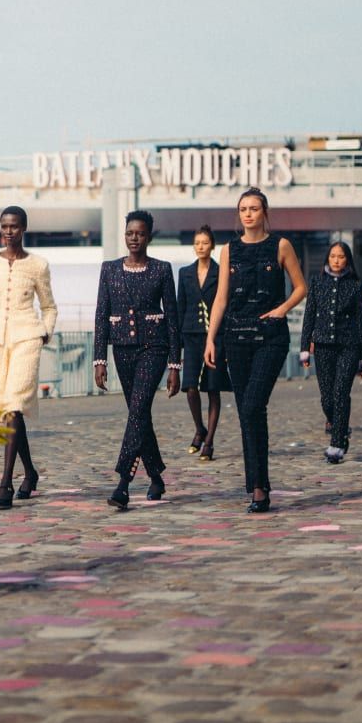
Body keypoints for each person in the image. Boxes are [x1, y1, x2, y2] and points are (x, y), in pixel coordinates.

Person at [205, 188, 307, 512]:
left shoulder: (281, 245)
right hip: (236, 338)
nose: (248, 214)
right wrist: (211, 338)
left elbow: (302, 286)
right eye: (243, 209)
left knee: (251, 406)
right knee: (250, 412)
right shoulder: (228, 250)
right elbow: (220, 298)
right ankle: (258, 487)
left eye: (254, 208)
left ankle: (259, 488)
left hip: (270, 339)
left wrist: (282, 309)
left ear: (264, 212)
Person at [94, 210, 181, 510]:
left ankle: (123, 484)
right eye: (130, 233)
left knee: (139, 410)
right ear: (125, 234)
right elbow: (101, 316)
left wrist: (174, 365)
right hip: (122, 349)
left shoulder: (162, 270)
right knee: (138, 414)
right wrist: (99, 359)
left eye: (140, 233)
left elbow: (173, 319)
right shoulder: (109, 269)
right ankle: (156, 475)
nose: (134, 238)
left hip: (154, 348)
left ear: (149, 237)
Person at [0, 206, 57, 510]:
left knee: (14, 406)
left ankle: (5, 482)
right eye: (5, 226)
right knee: (9, 410)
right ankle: (30, 473)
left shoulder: (38, 265)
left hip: (26, 339)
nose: (9, 232)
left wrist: (43, 332)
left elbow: (49, 306)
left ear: (24, 229)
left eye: (14, 227)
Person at [300, 241, 362, 464]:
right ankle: (340, 424)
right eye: (333, 256)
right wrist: (304, 348)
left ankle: (337, 444)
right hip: (322, 347)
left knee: (340, 392)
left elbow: (361, 323)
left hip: (348, 347)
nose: (336, 260)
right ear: (327, 259)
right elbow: (309, 316)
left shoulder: (355, 286)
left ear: (347, 259)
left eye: (341, 256)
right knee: (327, 399)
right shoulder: (317, 282)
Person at [175, 225, 230, 461]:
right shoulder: (185, 273)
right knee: (190, 388)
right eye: (197, 243)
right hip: (191, 334)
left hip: (215, 336)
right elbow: (180, 307)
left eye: (205, 243)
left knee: (213, 389)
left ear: (212, 246)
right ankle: (199, 428)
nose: (200, 247)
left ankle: (209, 442)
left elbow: (226, 305)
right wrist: (175, 347)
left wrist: (224, 340)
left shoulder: (221, 273)